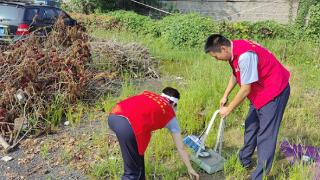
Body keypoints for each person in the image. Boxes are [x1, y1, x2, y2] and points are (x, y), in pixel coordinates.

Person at [204, 34, 290, 180]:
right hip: (259, 91)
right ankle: (244, 161)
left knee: (265, 135)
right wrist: (226, 95)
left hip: (274, 91)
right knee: (251, 126)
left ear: (223, 49)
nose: (217, 60)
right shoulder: (234, 49)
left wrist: (229, 109)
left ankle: (259, 176)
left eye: (216, 56)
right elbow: (236, 74)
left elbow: (245, 89)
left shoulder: (245, 55)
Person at [108, 87, 199, 180]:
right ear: (174, 104)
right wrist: (190, 168)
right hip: (128, 127)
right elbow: (181, 148)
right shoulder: (169, 114)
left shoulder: (147, 94)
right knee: (133, 174)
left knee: (138, 164)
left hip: (113, 115)